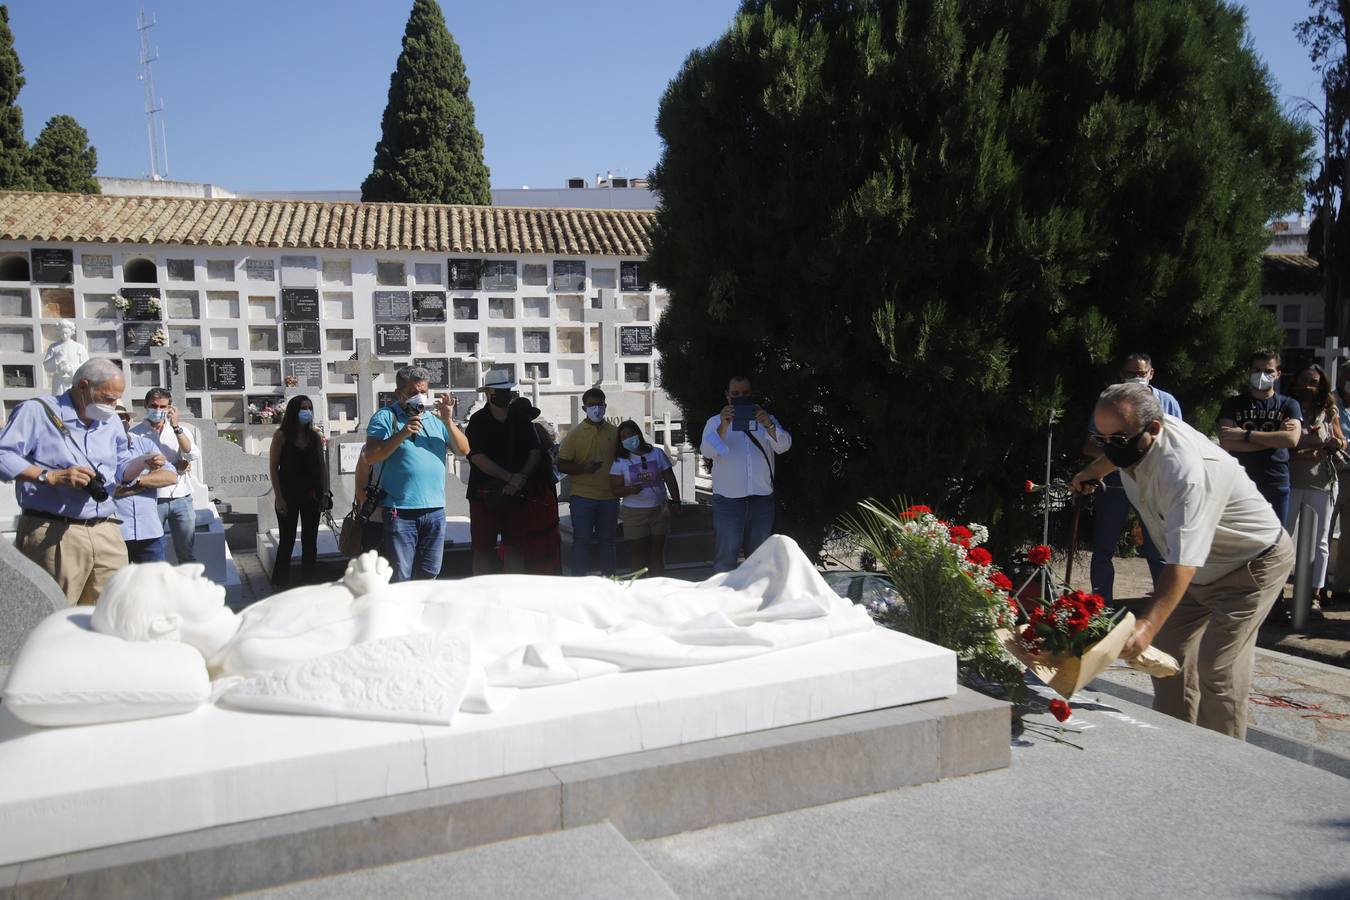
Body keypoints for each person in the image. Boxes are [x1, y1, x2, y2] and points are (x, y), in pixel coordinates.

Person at [1072, 383, 1294, 739]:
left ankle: (1223, 761)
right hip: (1201, 568)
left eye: (1117, 438)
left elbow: (1182, 564)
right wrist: (1093, 471)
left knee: (1217, 668)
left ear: (1154, 429)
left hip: (1249, 565)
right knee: (1168, 656)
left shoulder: (1185, 470)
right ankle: (1178, 744)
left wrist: (1145, 626)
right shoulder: (1132, 442)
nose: (1109, 446)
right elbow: (1118, 452)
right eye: (1101, 438)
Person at [0, 358, 163, 604]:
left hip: (106, 529)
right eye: (108, 398)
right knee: (55, 615)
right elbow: (3, 455)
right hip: (55, 532)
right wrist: (50, 476)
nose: (113, 405)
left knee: (111, 613)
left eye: (117, 399)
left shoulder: (111, 422)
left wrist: (142, 463)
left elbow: (120, 470)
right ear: (84, 386)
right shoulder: (36, 412)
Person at [1084, 353, 1182, 604]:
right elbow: (1090, 445)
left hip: (1152, 485)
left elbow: (1176, 445)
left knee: (1158, 548)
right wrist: (1115, 450)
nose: (1135, 378)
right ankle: (1100, 608)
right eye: (1129, 374)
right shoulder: (1110, 402)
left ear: (1151, 373)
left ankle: (1164, 608)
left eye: (1140, 373)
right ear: (1121, 375)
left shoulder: (1167, 402)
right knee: (1103, 547)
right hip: (1115, 483)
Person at [363, 366, 470, 582]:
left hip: (435, 510)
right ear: (398, 393)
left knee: (430, 572)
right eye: (413, 393)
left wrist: (448, 421)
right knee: (401, 575)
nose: (419, 397)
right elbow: (371, 456)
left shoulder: (436, 419)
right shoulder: (386, 417)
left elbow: (464, 450)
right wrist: (402, 433)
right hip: (400, 511)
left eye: (423, 391)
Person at [701, 375, 792, 573]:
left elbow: (783, 446)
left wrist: (768, 424)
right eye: (735, 394)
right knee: (725, 561)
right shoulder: (714, 422)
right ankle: (724, 601)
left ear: (752, 395)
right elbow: (708, 451)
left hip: (761, 500)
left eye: (745, 393)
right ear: (727, 396)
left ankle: (756, 601)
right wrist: (724, 426)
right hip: (729, 502)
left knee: (760, 563)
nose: (740, 397)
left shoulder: (766, 420)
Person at [464, 372, 540, 575]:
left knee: (515, 547)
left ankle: (514, 592)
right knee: (482, 549)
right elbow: (477, 457)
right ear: (489, 393)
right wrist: (509, 478)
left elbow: (534, 451)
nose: (506, 395)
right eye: (501, 392)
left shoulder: (521, 420)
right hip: (484, 494)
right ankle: (481, 593)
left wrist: (520, 479)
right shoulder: (478, 421)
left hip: (517, 494)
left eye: (508, 391)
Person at [1217, 349, 1302, 526]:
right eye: (1257, 370)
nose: (1262, 375)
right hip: (1239, 482)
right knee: (1240, 541)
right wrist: (1275, 438)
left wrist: (1245, 434)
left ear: (1278, 374)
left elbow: (1291, 440)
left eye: (1268, 371)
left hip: (1275, 482)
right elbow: (1227, 442)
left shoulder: (1289, 405)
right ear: (1250, 372)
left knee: (1273, 540)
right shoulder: (1232, 404)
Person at [1287, 364, 1346, 617]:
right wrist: (1314, 453)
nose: (1309, 386)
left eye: (1315, 381)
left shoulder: (1328, 411)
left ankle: (1314, 594)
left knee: (1321, 541)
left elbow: (1341, 439)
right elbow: (1285, 449)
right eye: (1305, 380)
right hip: (1291, 481)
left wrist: (1336, 443)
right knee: (1284, 537)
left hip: (1322, 482)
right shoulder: (1288, 409)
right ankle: (1276, 591)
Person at [130, 387, 202, 564]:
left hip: (181, 496)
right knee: (152, 550)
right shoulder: (134, 433)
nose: (158, 410)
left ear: (170, 407)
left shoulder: (178, 430)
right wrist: (170, 468)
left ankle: (190, 588)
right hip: (153, 498)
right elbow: (132, 466)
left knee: (186, 551)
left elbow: (192, 454)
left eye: (163, 406)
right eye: (154, 406)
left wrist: (176, 426)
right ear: (146, 405)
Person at [268, 395, 331, 588]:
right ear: (294, 411)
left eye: (309, 408)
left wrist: (326, 492)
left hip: (311, 494)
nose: (307, 412)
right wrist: (279, 497)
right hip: (288, 494)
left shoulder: (314, 437)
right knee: (287, 541)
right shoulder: (281, 436)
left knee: (310, 539)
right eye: (303, 408)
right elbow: (273, 467)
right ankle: (280, 583)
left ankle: (308, 581)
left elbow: (322, 466)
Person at [557, 387, 620, 576]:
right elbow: (561, 464)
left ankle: (610, 581)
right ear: (584, 408)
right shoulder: (575, 435)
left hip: (609, 497)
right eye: (591, 405)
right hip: (582, 497)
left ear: (605, 406)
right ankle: (579, 583)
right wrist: (584, 469)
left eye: (600, 404)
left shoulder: (615, 432)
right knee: (581, 541)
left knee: (608, 543)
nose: (597, 409)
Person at [610, 420, 681, 577]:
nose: (628, 439)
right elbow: (615, 490)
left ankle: (657, 586)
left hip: (659, 510)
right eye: (624, 437)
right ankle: (638, 590)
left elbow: (669, 477)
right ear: (620, 441)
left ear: (639, 434)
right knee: (638, 554)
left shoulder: (656, 453)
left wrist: (676, 501)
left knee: (657, 553)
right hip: (635, 513)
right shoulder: (619, 461)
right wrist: (629, 489)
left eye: (631, 434)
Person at [114, 405, 178, 563]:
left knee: (154, 584)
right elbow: (112, 489)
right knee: (119, 585)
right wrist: (150, 480)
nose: (116, 422)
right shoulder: (99, 449)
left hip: (149, 531)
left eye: (121, 418)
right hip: (116, 534)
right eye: (111, 418)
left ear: (129, 420)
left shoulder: (145, 445)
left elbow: (170, 477)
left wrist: (136, 481)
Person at [511, 396, 562, 575]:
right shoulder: (517, 432)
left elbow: (549, 458)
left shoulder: (536, 430)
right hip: (529, 491)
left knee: (541, 536)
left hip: (538, 490)